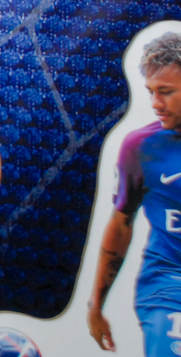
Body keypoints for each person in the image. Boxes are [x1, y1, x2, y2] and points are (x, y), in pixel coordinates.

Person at [88, 32, 181, 355]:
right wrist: (96, 305)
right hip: (169, 284)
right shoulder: (140, 148)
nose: (156, 104)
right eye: (151, 92)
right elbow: (120, 225)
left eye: (166, 92)